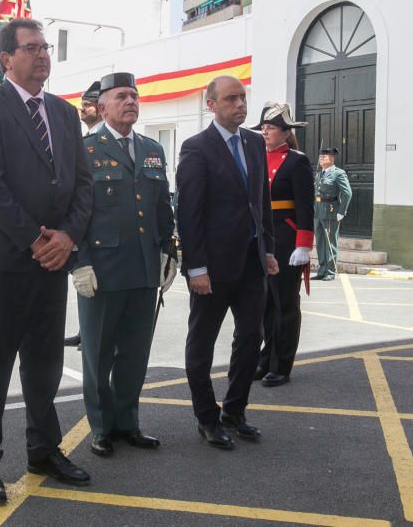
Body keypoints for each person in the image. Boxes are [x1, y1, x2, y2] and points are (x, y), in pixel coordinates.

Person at [0, 18, 93, 504]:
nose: (42, 55)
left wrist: (68, 236)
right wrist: (37, 238)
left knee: (45, 365)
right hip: (2, 259)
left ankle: (43, 448)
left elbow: (82, 185)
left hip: (52, 260)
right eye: (31, 47)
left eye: (45, 48)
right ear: (6, 58)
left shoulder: (63, 111)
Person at [72, 72, 176, 457]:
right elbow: (74, 211)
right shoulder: (84, 150)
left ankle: (127, 422)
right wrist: (78, 263)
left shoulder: (152, 149)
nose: (130, 101)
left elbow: (163, 206)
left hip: (144, 267)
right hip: (101, 269)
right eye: (121, 96)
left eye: (134, 96)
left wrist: (169, 251)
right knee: (98, 353)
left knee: (135, 352)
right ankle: (101, 426)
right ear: (102, 108)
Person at [176, 75, 278, 450]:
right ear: (212, 105)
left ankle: (234, 411)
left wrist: (267, 250)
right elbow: (189, 213)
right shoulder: (196, 148)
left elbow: (260, 200)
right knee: (201, 345)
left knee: (252, 337)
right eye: (231, 98)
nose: (240, 104)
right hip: (213, 268)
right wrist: (196, 268)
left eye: (243, 97)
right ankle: (207, 418)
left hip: (251, 263)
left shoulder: (253, 142)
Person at [251, 102, 314, 387]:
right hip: (260, 236)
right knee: (263, 303)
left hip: (286, 238)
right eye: (263, 126)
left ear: (286, 133)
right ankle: (265, 361)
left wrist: (304, 244)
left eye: (271, 127)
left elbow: (305, 206)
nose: (265, 131)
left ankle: (282, 364)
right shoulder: (256, 157)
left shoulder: (296, 160)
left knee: (284, 304)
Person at [65, 79, 102, 349]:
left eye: (87, 106)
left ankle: (90, 332)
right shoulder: (83, 141)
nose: (82, 110)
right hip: (82, 228)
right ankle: (84, 330)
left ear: (101, 108)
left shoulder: (98, 142)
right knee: (86, 282)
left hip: (102, 230)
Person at [312, 147, 351, 281]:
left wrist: (342, 211)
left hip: (330, 211)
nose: (321, 158)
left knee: (330, 242)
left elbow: (347, 193)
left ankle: (330, 271)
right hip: (318, 211)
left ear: (332, 158)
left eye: (325, 156)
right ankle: (322, 270)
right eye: (320, 156)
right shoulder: (320, 173)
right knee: (321, 242)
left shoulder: (338, 173)